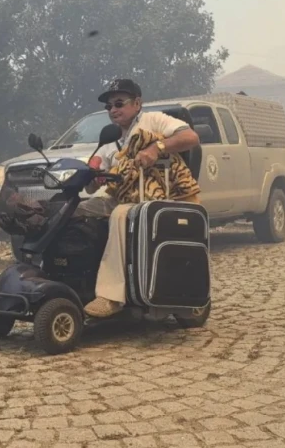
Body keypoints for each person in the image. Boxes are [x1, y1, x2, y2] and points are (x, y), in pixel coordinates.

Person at [80, 79, 201, 318]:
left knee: (121, 214)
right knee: (77, 209)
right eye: (108, 106)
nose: (113, 110)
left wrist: (157, 148)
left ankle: (111, 296)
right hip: (123, 196)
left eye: (118, 103)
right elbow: (93, 184)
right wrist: (92, 176)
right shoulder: (110, 141)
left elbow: (191, 138)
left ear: (137, 103)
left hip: (156, 196)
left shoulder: (154, 120)